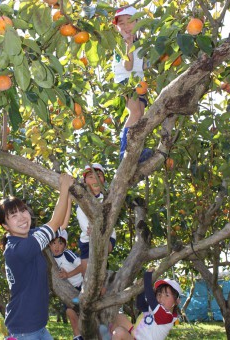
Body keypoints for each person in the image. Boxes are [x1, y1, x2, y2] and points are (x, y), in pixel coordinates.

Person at [0, 173, 73, 340]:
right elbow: (53, 224)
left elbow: (61, 224)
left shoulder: (29, 237)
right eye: (13, 216)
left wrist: (69, 195)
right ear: (5, 226)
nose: (22, 217)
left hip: (37, 327)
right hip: (25, 330)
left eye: (23, 210)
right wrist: (64, 187)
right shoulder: (20, 248)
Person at [112, 6, 153, 163]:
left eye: (129, 21)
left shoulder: (139, 43)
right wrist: (128, 46)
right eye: (121, 23)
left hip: (138, 83)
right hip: (125, 82)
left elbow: (141, 65)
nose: (125, 26)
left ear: (138, 23)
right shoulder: (122, 43)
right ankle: (125, 151)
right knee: (135, 113)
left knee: (140, 114)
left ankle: (135, 150)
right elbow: (128, 66)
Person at [100, 268, 181, 340]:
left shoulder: (167, 317)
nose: (161, 298)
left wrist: (147, 276)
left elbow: (151, 299)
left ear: (176, 301)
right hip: (136, 336)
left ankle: (112, 336)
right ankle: (109, 336)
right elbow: (141, 305)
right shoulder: (156, 308)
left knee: (119, 332)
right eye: (159, 294)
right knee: (119, 317)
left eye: (167, 295)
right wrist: (141, 287)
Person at [76, 163, 116, 276]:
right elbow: (82, 218)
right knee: (86, 275)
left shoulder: (108, 198)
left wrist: (98, 231)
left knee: (100, 258)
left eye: (99, 176)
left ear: (103, 180)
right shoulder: (82, 201)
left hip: (107, 236)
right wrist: (88, 230)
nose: (95, 179)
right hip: (86, 240)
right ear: (84, 182)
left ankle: (102, 283)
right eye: (91, 177)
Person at [49, 230, 83, 340]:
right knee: (69, 311)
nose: (57, 246)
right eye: (53, 243)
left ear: (65, 245)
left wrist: (68, 274)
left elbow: (83, 266)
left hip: (81, 286)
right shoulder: (50, 259)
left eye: (60, 243)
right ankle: (78, 336)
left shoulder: (67, 254)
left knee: (83, 312)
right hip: (69, 290)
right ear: (49, 245)